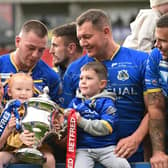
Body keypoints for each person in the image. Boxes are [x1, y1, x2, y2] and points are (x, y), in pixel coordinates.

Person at [62, 8, 149, 162]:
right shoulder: (74, 70)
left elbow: (155, 110)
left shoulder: (140, 61)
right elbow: (66, 115)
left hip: (129, 156)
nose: (83, 43)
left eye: (87, 37)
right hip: (85, 156)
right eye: (80, 38)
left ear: (106, 32)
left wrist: (135, 139)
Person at [66, 61, 131, 168]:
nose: (83, 82)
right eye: (81, 78)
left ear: (102, 84)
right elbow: (67, 125)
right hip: (83, 149)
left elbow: (106, 127)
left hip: (107, 148)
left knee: (122, 164)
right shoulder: (75, 102)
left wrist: (81, 122)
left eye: (89, 78)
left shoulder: (107, 103)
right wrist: (63, 120)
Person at [0, 72, 55, 168]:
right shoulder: (7, 112)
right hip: (14, 151)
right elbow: (3, 143)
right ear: (9, 92)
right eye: (19, 89)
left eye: (28, 90)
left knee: (49, 159)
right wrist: (17, 138)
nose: (23, 93)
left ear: (33, 92)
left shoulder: (39, 109)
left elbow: (46, 131)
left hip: (38, 151)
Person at [0, 19, 61, 103]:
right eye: (31, 48)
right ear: (18, 41)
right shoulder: (1, 65)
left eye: (41, 50)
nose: (35, 55)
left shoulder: (51, 77)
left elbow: (57, 112)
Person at [145, 14, 168, 168]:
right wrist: (159, 152)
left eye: (164, 41)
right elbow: (155, 107)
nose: (157, 45)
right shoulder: (155, 57)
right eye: (156, 39)